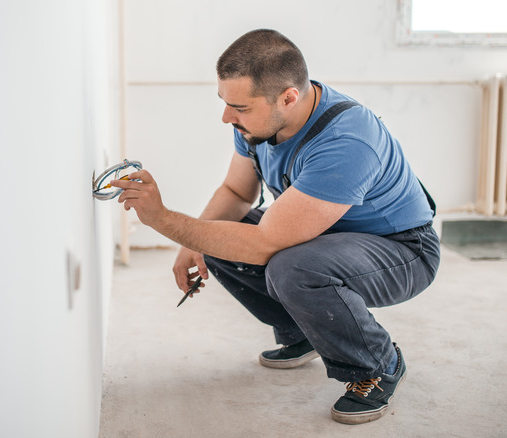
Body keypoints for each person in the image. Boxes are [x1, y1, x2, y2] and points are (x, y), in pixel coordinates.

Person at [110, 28, 440, 425]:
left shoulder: (347, 140)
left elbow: (266, 243)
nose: (227, 117)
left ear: (288, 97)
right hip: (329, 234)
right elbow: (235, 191)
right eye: (224, 103)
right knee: (218, 235)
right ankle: (301, 334)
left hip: (403, 250)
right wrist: (191, 242)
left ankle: (378, 363)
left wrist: (163, 219)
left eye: (240, 108)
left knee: (293, 267)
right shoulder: (258, 126)